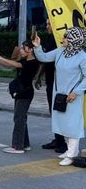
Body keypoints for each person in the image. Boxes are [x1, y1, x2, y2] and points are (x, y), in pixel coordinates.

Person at [33, 27, 86, 166]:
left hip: (73, 96)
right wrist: (37, 46)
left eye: (65, 37)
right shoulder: (61, 51)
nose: (62, 39)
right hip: (59, 95)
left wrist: (76, 92)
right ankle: (69, 150)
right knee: (62, 124)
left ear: (74, 40)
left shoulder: (82, 56)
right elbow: (43, 57)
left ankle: (72, 154)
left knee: (72, 125)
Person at [0, 40, 39, 154]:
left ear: (31, 50)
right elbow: (9, 64)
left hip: (25, 93)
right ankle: (25, 144)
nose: (21, 50)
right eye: (22, 48)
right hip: (21, 92)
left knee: (19, 118)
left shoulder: (32, 62)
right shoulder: (24, 60)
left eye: (24, 48)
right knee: (21, 118)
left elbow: (15, 64)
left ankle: (18, 146)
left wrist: (0, 57)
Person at [35, 19, 67, 153]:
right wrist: (38, 76)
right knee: (53, 111)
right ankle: (58, 139)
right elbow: (45, 59)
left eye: (49, 24)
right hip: (50, 81)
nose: (46, 26)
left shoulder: (60, 42)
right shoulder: (49, 40)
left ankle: (64, 142)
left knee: (60, 112)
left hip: (60, 83)